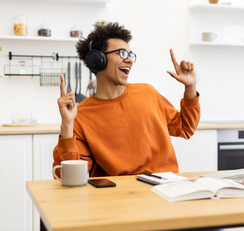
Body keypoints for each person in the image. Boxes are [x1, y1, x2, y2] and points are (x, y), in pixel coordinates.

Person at [53, 22, 200, 177]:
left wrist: (190, 87)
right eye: (122, 53)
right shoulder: (80, 116)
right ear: (98, 60)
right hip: (120, 195)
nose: (129, 60)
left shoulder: (148, 93)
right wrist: (67, 125)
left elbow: (185, 128)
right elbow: (67, 176)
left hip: (165, 188)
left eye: (131, 55)